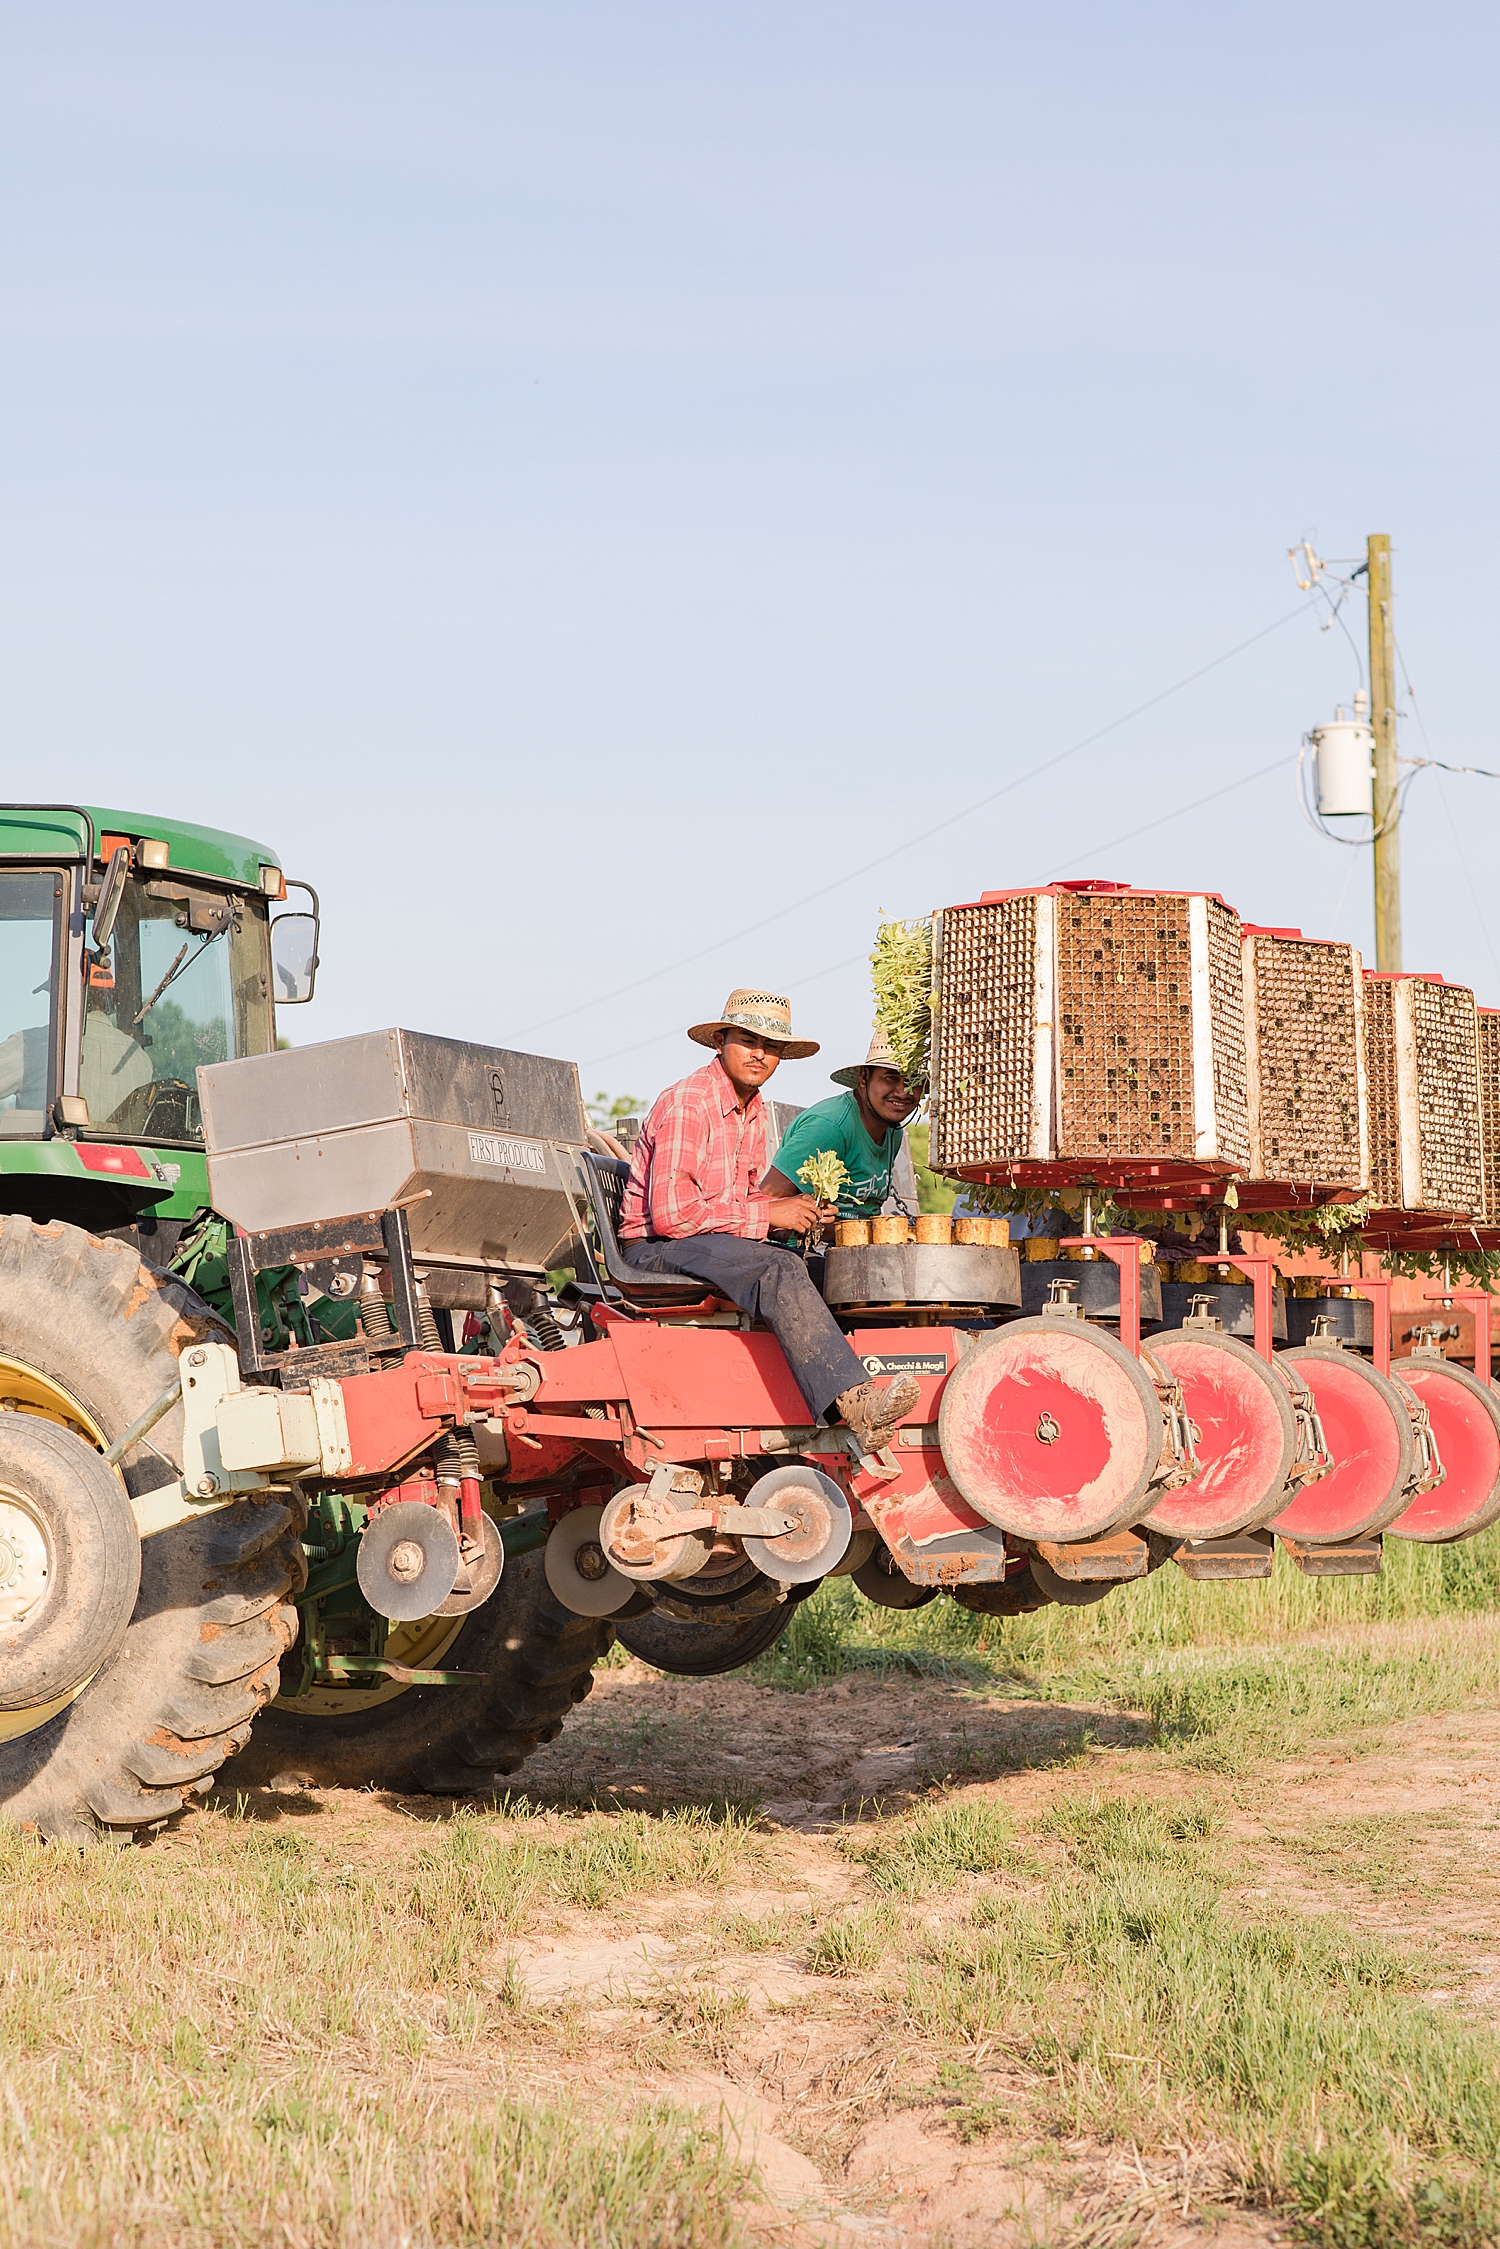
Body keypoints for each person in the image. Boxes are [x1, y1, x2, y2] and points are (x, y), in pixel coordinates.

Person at [619, 989, 919, 1451]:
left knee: (830, 1269)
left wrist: (796, 1215)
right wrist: (768, 1213)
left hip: (706, 1240)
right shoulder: (690, 1104)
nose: (760, 1054)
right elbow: (673, 1216)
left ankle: (866, 1390)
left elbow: (741, 1202)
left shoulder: (752, 1109)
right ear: (720, 1041)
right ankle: (853, 1401)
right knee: (778, 1268)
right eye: (747, 1040)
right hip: (656, 1248)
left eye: (773, 1047)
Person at [761, 1032, 920, 1219]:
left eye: (913, 1081)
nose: (902, 1092)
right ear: (864, 1078)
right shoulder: (828, 1127)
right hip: (805, 1247)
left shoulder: (893, 1130)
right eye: (890, 1078)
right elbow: (766, 1203)